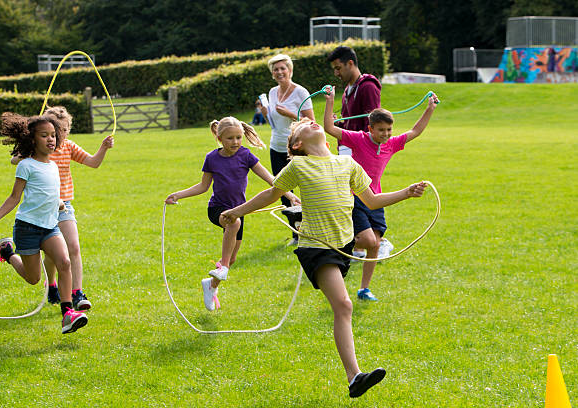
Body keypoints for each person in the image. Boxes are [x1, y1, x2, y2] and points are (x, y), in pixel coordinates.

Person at [220, 117, 427, 398]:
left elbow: (373, 200)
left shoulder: (348, 164)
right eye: (304, 126)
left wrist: (406, 193)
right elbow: (271, 193)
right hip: (316, 247)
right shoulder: (298, 165)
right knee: (343, 306)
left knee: (343, 307)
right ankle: (355, 377)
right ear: (298, 144)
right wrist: (237, 211)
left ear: (327, 141)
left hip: (343, 245)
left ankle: (355, 378)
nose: (313, 123)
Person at [165, 116, 299, 311]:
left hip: (239, 210)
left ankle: (211, 285)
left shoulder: (246, 155)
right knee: (233, 223)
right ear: (220, 139)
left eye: (238, 137)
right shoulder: (212, 158)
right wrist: (178, 194)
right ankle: (224, 268)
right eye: (230, 138)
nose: (235, 142)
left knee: (233, 254)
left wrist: (290, 196)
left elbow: (270, 178)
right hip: (217, 209)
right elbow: (203, 186)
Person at [324, 85, 439, 302]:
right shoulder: (358, 138)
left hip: (376, 198)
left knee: (375, 245)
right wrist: (330, 100)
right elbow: (329, 128)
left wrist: (430, 108)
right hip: (354, 196)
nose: (386, 134)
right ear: (370, 129)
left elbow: (415, 131)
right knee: (367, 240)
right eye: (381, 130)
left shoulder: (391, 144)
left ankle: (364, 289)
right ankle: (345, 246)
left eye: (389, 130)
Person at [0, 112, 87, 334]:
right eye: (44, 135)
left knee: (64, 262)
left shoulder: (53, 167)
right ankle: (7, 252)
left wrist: (58, 203)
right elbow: (14, 198)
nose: (51, 139)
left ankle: (68, 313)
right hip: (27, 228)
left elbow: (47, 192)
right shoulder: (26, 165)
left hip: (50, 227)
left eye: (53, 135)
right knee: (33, 278)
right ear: (32, 140)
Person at [11, 106, 114, 311]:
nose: (58, 135)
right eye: (54, 131)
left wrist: (103, 147)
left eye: (63, 130)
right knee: (51, 256)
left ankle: (77, 293)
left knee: (72, 248)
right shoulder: (37, 151)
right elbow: (15, 161)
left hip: (63, 206)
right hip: (42, 209)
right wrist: (25, 151)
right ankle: (52, 285)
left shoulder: (68, 147)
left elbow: (93, 163)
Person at [327, 45, 390, 262]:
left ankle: (378, 239)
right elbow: (352, 122)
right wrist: (341, 123)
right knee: (350, 198)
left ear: (350, 63)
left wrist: (365, 147)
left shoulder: (368, 86)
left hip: (361, 152)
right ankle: (361, 246)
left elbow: (373, 122)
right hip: (348, 150)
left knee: (362, 196)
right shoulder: (347, 90)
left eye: (338, 68)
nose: (336, 73)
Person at [260, 54, 314, 246]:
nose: (279, 72)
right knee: (282, 189)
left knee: (306, 187)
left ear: (290, 70)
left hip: (298, 147)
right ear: (272, 74)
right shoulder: (272, 92)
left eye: (283, 68)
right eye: (276, 69)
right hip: (277, 146)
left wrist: (290, 114)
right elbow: (274, 123)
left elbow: (311, 123)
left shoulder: (301, 92)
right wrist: (267, 114)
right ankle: (296, 233)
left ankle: (311, 230)